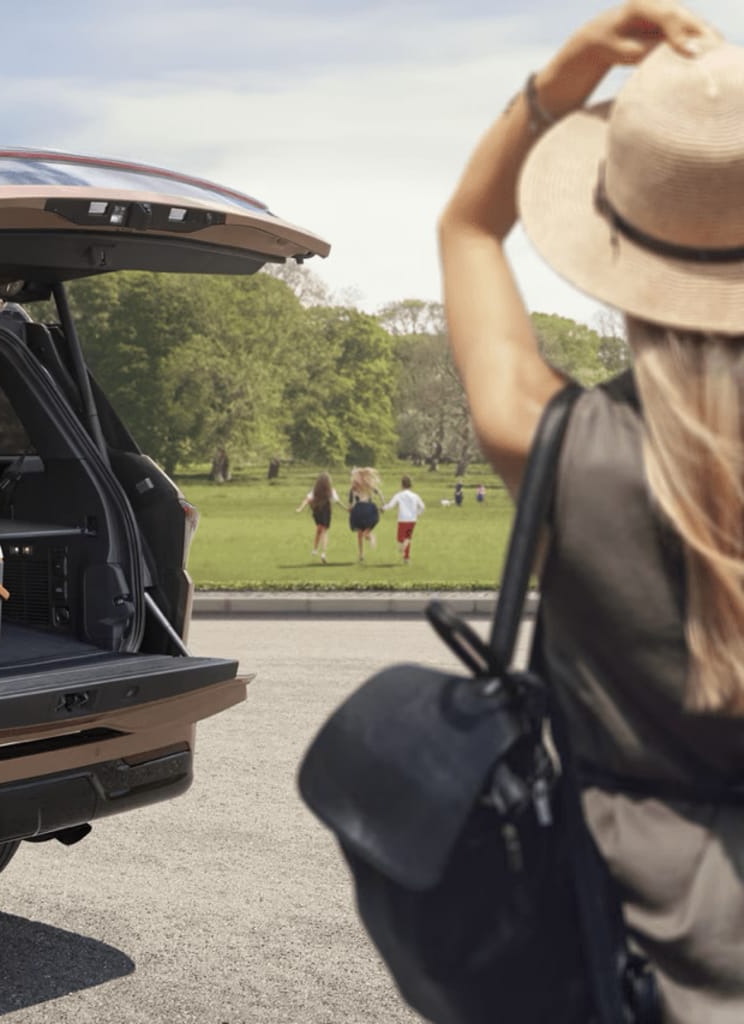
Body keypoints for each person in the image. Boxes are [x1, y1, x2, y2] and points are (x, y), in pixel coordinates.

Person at [438, 3, 741, 1018]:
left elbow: (469, 226)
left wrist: (559, 83)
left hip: (621, 943)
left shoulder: (552, 439)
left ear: (616, 235)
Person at [296, 471, 342, 563]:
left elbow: (307, 500)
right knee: (324, 531)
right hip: (325, 511)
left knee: (319, 529)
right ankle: (323, 553)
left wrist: (300, 508)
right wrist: (346, 508)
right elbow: (337, 501)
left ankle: (315, 549)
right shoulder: (330, 490)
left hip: (317, 511)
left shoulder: (315, 489)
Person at [384, 475, 426, 565]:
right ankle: (406, 558)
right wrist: (418, 514)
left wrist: (383, 508)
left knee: (400, 538)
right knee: (407, 537)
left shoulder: (399, 495)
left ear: (402, 485)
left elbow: (391, 505)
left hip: (402, 519)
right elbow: (422, 506)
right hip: (412, 520)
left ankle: (404, 551)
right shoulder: (415, 496)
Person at [347, 467, 382, 563]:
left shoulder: (362, 486)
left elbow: (352, 502)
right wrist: (383, 503)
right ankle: (362, 552)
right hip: (363, 510)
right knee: (361, 533)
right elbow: (351, 501)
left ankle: (368, 541)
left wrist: (350, 508)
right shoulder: (358, 487)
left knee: (361, 534)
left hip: (363, 510)